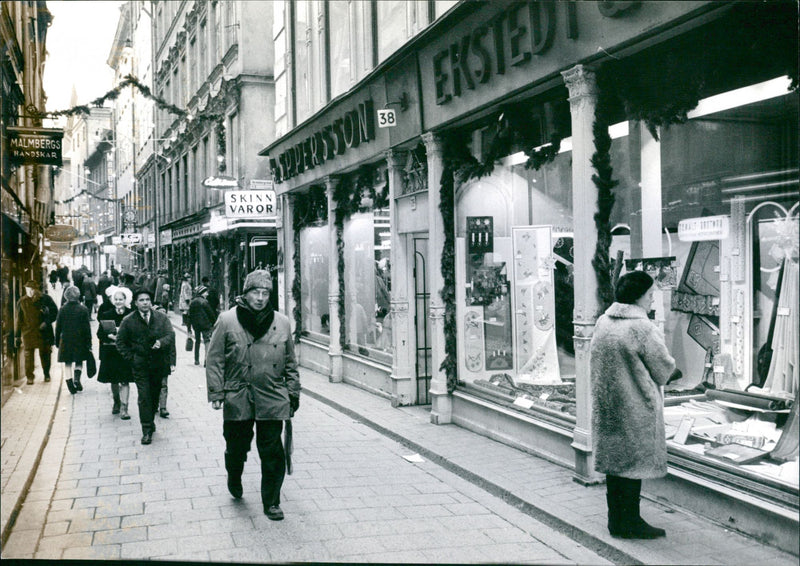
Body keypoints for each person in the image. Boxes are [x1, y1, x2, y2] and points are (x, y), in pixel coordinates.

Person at [590, 270, 679, 540]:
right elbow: (663, 370)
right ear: (639, 297)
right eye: (650, 295)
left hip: (607, 407)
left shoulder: (604, 322)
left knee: (616, 466)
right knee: (632, 467)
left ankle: (616, 520)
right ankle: (630, 522)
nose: (652, 300)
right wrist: (677, 371)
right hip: (635, 408)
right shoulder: (642, 328)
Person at [206, 270, 300, 521]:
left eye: (265, 293)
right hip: (238, 394)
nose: (260, 298)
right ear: (245, 294)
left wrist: (292, 391)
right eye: (255, 292)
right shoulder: (227, 320)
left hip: (271, 394)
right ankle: (234, 474)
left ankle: (272, 501)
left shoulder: (281, 322)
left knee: (272, 452)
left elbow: (290, 361)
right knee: (236, 446)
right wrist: (216, 391)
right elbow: (214, 359)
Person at [116, 288, 176, 445]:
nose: (145, 303)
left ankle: (151, 419)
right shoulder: (128, 321)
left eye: (147, 300)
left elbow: (170, 335)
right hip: (140, 365)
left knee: (155, 395)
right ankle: (146, 429)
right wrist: (132, 358)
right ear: (136, 303)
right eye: (141, 300)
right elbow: (120, 342)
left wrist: (161, 343)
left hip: (158, 364)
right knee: (144, 397)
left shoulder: (161, 318)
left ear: (151, 302)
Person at [97, 286, 134, 419]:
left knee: (124, 380)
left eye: (121, 299)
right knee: (113, 380)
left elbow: (137, 332)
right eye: (116, 299)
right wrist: (109, 336)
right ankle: (116, 402)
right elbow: (99, 333)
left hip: (125, 352)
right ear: (113, 300)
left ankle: (125, 408)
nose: (118, 301)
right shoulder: (107, 314)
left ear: (126, 300)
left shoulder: (131, 315)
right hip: (111, 351)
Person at [15, 280, 58, 384]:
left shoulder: (46, 299)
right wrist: (17, 336)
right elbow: (19, 319)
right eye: (28, 289)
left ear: (36, 290)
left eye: (32, 290)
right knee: (28, 356)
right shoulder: (22, 301)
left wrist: (47, 322)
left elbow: (55, 312)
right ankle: (30, 377)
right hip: (28, 332)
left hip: (43, 332)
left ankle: (46, 374)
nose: (30, 292)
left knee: (45, 354)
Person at [54, 285, 92, 394]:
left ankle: (70, 385)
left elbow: (58, 327)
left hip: (66, 340)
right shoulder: (83, 309)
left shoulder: (62, 309)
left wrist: (57, 342)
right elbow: (87, 328)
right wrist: (88, 342)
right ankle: (77, 379)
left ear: (66, 296)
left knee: (67, 363)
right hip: (80, 340)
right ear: (78, 295)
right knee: (79, 361)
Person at [188, 285, 216, 366]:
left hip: (196, 326)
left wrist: (189, 328)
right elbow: (211, 314)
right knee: (207, 341)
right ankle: (206, 361)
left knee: (197, 341)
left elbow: (189, 316)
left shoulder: (192, 302)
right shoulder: (204, 302)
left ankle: (196, 360)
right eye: (206, 292)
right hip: (205, 325)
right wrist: (214, 323)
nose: (207, 294)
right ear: (202, 293)